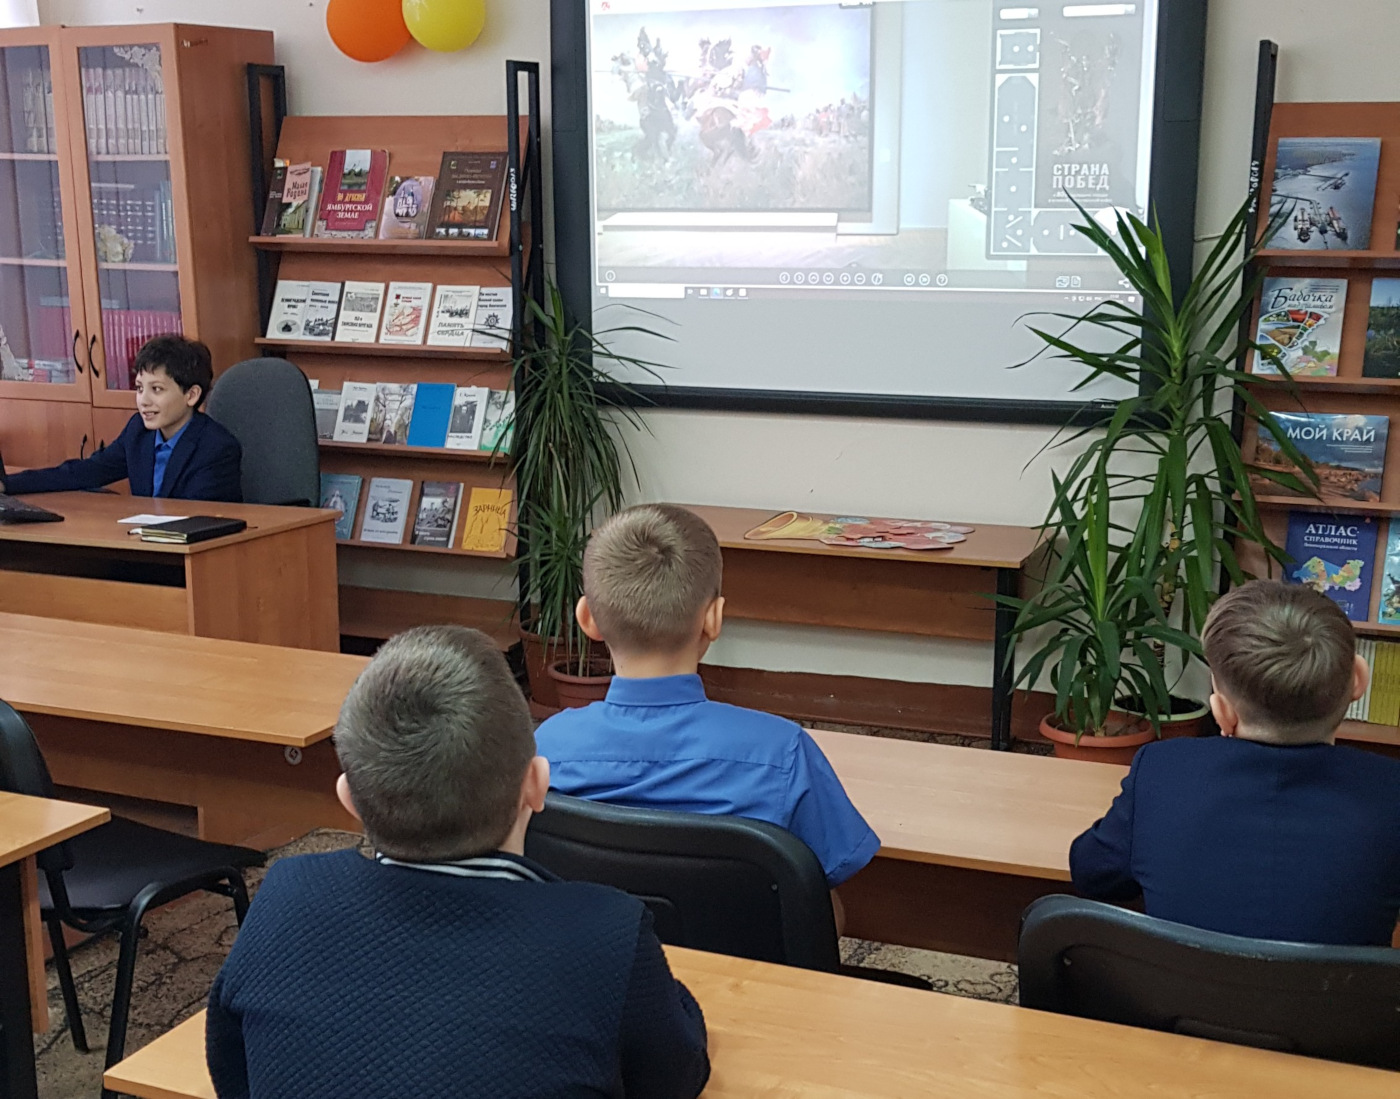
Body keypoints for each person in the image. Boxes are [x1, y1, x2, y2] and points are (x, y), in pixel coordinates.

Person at [206, 626, 709, 1099]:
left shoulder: (286, 897)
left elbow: (234, 1073)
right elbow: (676, 1075)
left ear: (349, 799)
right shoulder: (607, 937)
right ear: (536, 785)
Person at [534, 504, 880, 896]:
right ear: (714, 619)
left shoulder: (545, 750)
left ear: (587, 618)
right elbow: (826, 891)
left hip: (592, 937)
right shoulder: (784, 754)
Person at [1069, 580, 1400, 946]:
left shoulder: (1162, 772)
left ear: (1222, 711)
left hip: (1178, 985)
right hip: (1340, 986)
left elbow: (1091, 873)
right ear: (1359, 680)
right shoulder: (1391, 792)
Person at [0, 335, 242, 501]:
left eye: (157, 389)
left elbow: (201, 518)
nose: (143, 400)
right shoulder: (139, 431)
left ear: (191, 395)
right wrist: (8, 484)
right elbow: (89, 471)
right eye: (139, 388)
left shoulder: (217, 448)